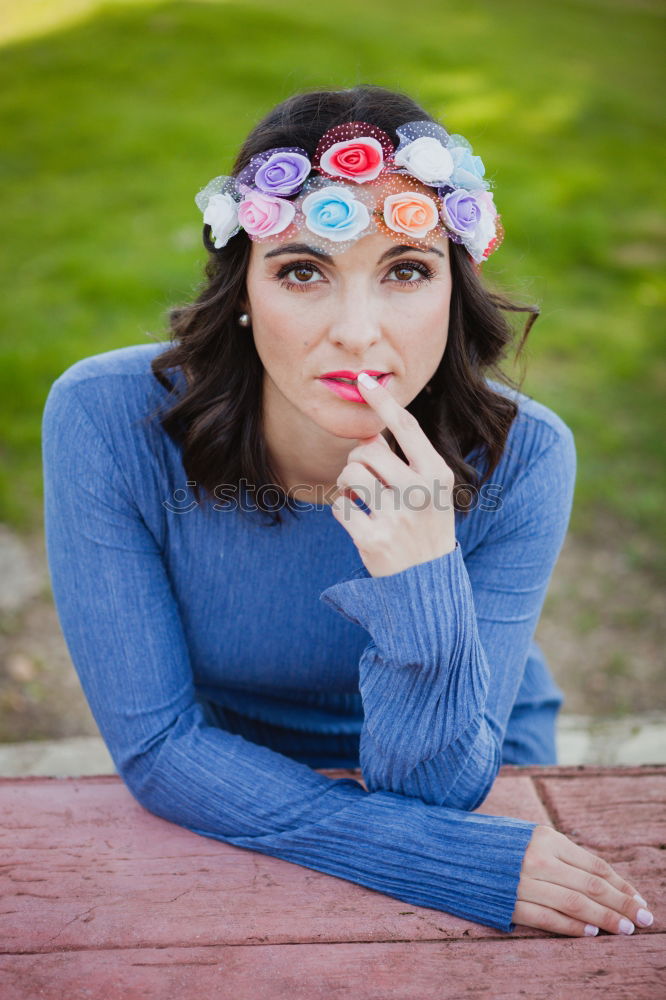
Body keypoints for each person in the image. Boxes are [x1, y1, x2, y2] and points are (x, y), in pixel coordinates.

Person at [41, 84, 652, 937]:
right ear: (245, 290)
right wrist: (438, 858)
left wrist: (421, 578)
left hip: (470, 762)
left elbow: (438, 793)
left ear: (453, 290)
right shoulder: (107, 422)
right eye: (303, 271)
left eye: (405, 270)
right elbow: (159, 749)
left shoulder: (528, 457)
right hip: (228, 771)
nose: (358, 332)